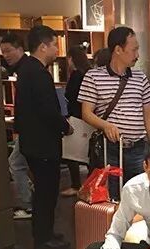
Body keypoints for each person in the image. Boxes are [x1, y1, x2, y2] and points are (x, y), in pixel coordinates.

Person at [79, 26, 150, 199]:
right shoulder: (93, 76)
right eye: (134, 49)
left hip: (138, 147)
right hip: (110, 148)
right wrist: (106, 125)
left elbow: (148, 112)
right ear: (118, 50)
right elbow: (86, 113)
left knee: (140, 195)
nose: (137, 55)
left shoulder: (140, 77)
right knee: (111, 195)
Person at [15, 25, 72, 249]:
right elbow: (48, 110)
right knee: (46, 191)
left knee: (44, 190)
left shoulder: (26, 70)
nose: (57, 49)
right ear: (43, 46)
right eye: (54, 45)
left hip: (33, 143)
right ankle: (44, 236)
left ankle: (45, 232)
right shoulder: (38, 73)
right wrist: (65, 127)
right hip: (43, 144)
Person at [0, 33, 32, 220]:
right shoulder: (24, 69)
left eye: (8, 50)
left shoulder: (26, 71)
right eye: (3, 52)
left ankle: (28, 204)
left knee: (15, 163)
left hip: (30, 130)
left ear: (20, 48)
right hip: (28, 130)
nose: (5, 55)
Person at [61, 45, 91, 197]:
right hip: (90, 118)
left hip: (76, 117)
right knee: (89, 154)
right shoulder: (89, 74)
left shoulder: (76, 75)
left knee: (71, 153)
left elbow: (70, 96)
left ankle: (76, 185)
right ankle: (91, 185)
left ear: (71, 58)